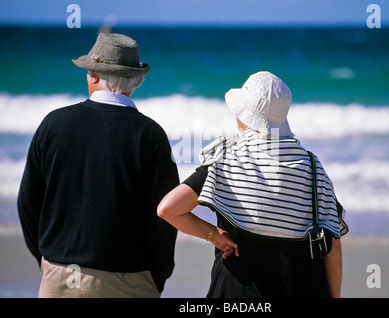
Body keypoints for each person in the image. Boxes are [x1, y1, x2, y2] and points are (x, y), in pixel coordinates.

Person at [158, 71, 348, 298]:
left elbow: (168, 209)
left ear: (245, 116)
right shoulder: (311, 167)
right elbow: (333, 245)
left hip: (235, 291)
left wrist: (214, 235)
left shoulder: (226, 159)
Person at [17, 33, 179, 298]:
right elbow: (164, 217)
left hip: (59, 274)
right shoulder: (150, 135)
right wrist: (156, 277)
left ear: (93, 75)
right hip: (129, 279)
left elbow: (28, 204)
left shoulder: (53, 124)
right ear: (136, 80)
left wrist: (48, 262)